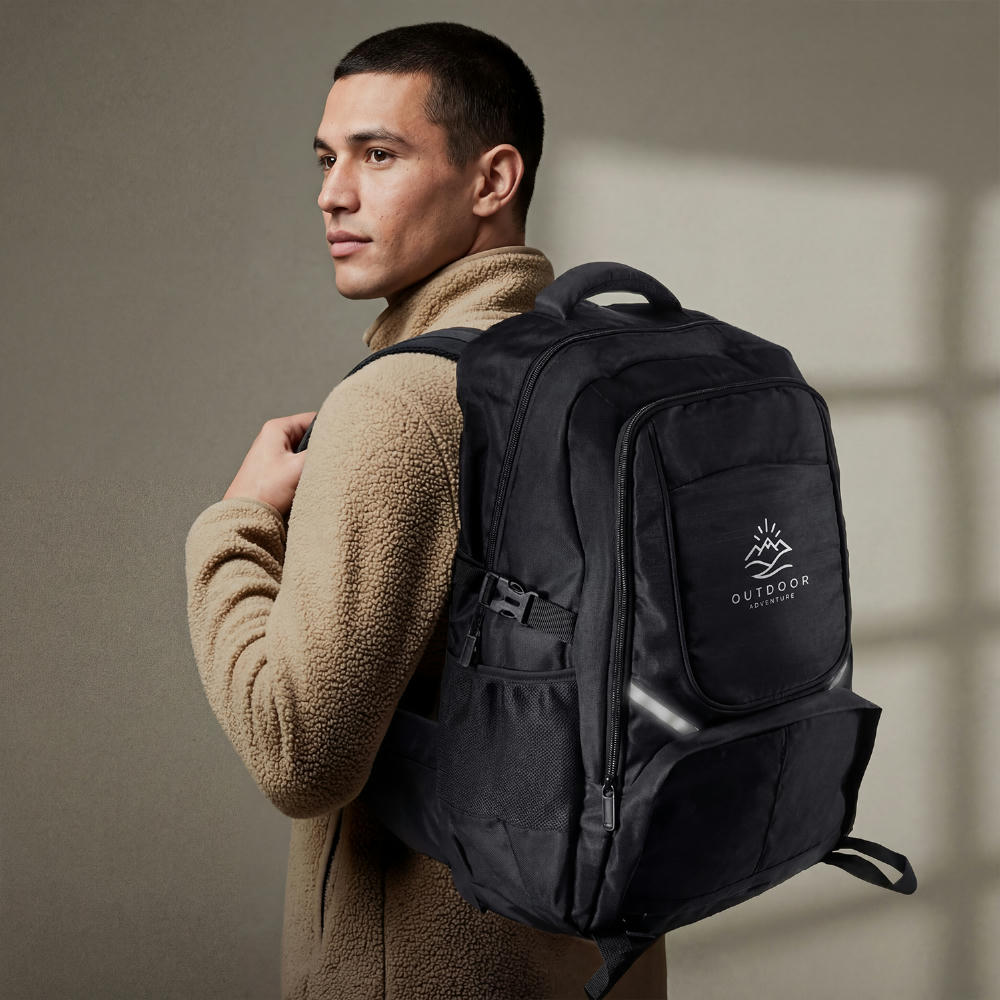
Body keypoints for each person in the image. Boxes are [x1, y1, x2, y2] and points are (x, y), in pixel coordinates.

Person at [184, 21, 668, 1000]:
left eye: (378, 154)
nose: (333, 193)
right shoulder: (602, 377)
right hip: (596, 954)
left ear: (493, 180)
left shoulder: (402, 402)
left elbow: (301, 754)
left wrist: (230, 528)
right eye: (326, 158)